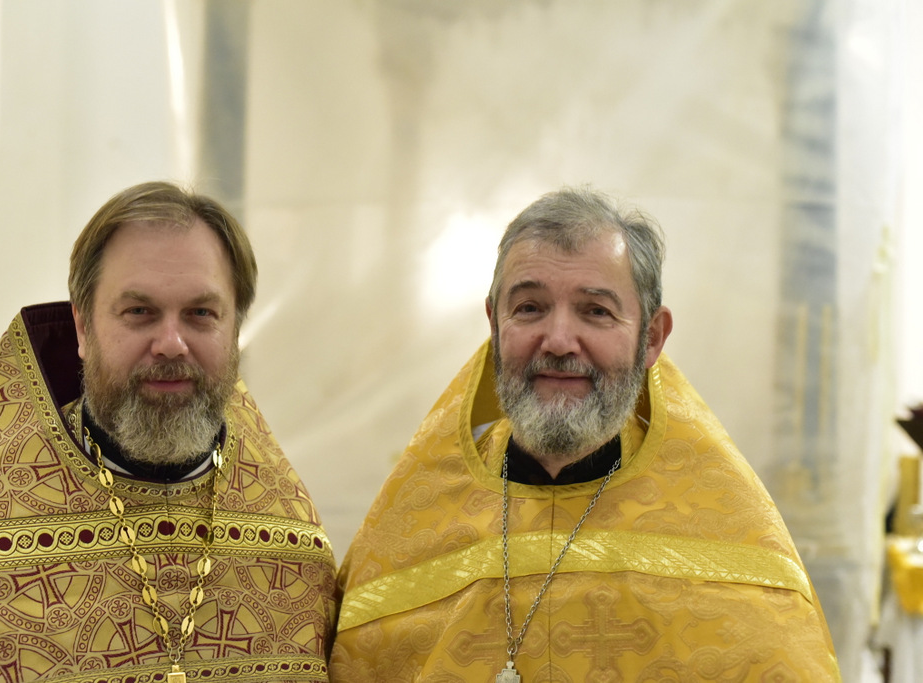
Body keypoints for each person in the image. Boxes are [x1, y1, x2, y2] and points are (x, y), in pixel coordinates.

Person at [330, 187, 840, 681]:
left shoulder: (731, 537)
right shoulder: (410, 530)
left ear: (651, 338)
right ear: (494, 325)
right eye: (529, 308)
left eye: (596, 311)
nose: (558, 341)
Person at [0, 182, 336, 682]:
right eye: (139, 312)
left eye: (200, 314)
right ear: (83, 329)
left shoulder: (295, 545)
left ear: (233, 330)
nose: (171, 343)